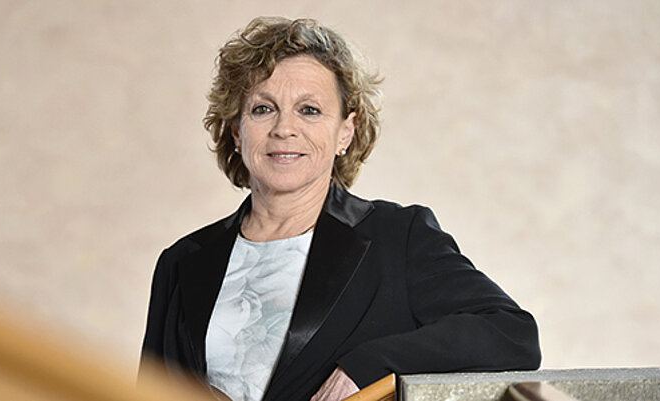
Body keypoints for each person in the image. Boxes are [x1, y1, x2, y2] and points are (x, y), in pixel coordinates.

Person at [140, 17, 540, 401]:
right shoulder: (181, 262)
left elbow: (511, 333)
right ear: (237, 131)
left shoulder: (397, 237)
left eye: (309, 110)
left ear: (345, 132)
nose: (284, 128)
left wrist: (369, 365)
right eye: (263, 109)